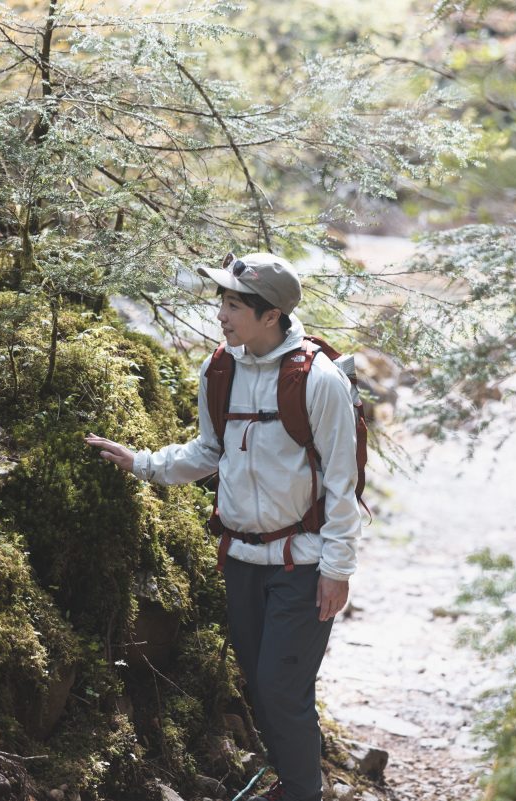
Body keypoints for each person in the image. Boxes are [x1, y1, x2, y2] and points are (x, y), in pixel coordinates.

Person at [85, 252, 361, 801]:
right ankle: (291, 782)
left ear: (271, 315)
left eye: (234, 305)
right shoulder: (219, 370)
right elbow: (208, 451)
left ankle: (302, 793)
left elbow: (342, 481)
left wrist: (337, 569)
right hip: (241, 560)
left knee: (282, 687)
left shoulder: (318, 380)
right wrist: (142, 463)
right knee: (260, 684)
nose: (221, 316)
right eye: (223, 303)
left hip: (303, 563)